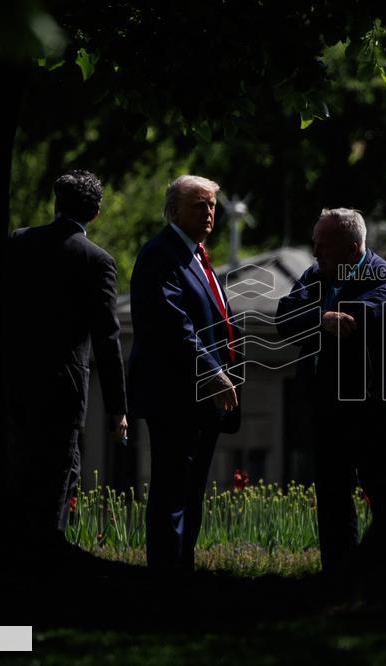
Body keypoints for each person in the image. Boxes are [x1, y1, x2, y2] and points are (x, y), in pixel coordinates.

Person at [276, 208, 386, 574]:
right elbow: (284, 317)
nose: (315, 253)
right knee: (333, 499)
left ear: (352, 250)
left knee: (385, 495)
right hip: (327, 407)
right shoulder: (318, 273)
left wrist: (323, 315)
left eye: (324, 246)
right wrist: (322, 319)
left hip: (376, 411)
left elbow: (358, 320)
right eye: (314, 244)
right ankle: (338, 576)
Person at [4, 170, 128, 569]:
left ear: (56, 203)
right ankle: (44, 563)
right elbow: (107, 340)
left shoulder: (20, 241)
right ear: (95, 214)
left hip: (15, 383)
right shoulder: (97, 261)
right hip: (63, 390)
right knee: (57, 480)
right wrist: (117, 409)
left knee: (18, 474)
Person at [128, 175, 242, 574]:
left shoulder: (197, 255)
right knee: (172, 493)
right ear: (174, 211)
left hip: (203, 399)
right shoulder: (161, 254)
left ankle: (182, 574)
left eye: (212, 205)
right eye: (199, 205)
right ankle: (166, 581)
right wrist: (212, 372)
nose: (209, 213)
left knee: (191, 494)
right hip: (177, 397)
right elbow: (171, 325)